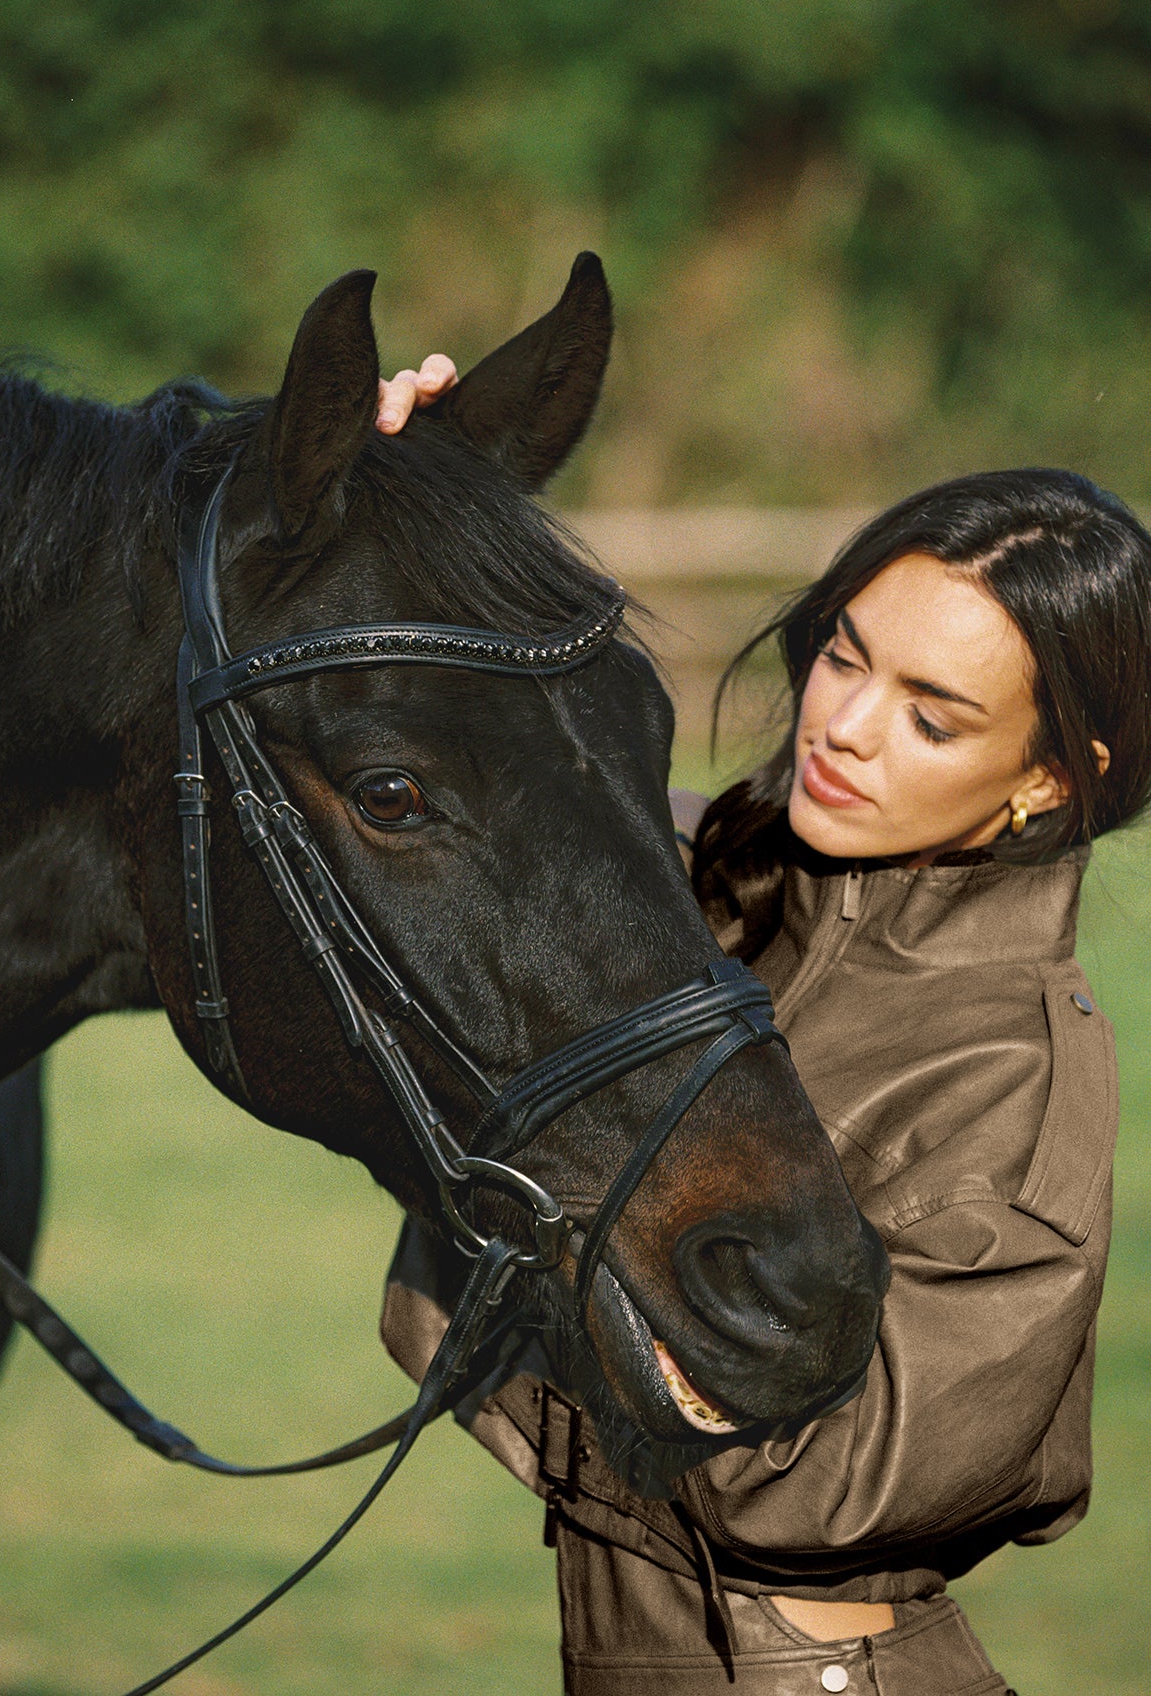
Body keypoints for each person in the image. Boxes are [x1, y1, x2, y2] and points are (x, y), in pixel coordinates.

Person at [375, 365, 1151, 1694]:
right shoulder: (702, 887)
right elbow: (451, 801)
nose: (842, 726)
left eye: (930, 714)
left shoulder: (1009, 1067)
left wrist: (545, 1267)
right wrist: (406, 520)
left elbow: (821, 1491)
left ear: (1043, 778)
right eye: (844, 652)